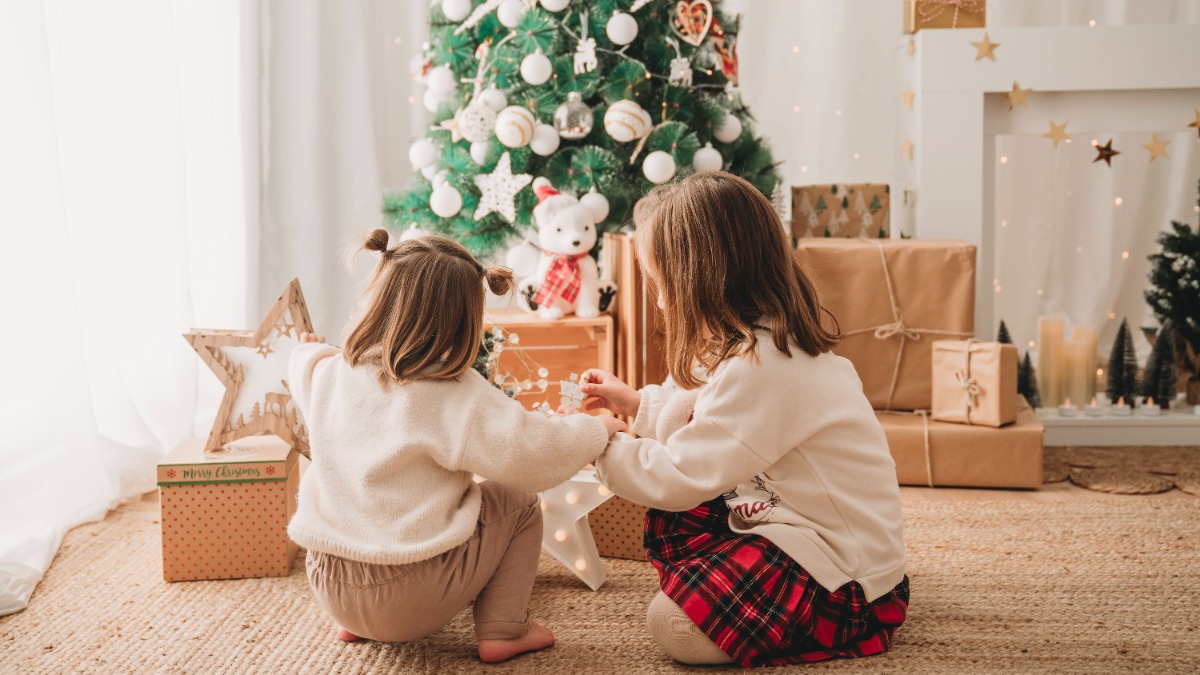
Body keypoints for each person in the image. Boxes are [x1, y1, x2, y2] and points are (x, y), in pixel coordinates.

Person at [580, 172, 909, 667]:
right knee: (686, 520)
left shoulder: (767, 367)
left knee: (674, 625)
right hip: (787, 519)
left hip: (843, 572)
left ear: (700, 280)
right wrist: (636, 406)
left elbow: (682, 474)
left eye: (659, 282)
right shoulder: (746, 342)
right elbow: (696, 404)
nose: (660, 299)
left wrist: (602, 445)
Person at [286, 230, 627, 663]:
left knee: (332, 470)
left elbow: (302, 365)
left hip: (329, 582)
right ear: (463, 319)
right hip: (408, 600)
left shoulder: (330, 372)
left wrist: (305, 351)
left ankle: (357, 623)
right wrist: (594, 429)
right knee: (518, 502)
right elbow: (531, 453)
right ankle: (505, 628)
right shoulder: (453, 394)